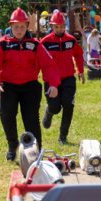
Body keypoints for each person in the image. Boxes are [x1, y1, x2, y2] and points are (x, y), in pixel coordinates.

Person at [0, 8, 60, 161]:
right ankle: (13, 144)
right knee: (7, 115)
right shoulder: (2, 45)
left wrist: (52, 83)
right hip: (8, 85)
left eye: (22, 26)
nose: (19, 30)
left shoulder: (35, 45)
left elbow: (48, 65)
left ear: (27, 26)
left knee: (31, 118)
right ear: (10, 27)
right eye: (16, 26)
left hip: (30, 86)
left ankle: (35, 149)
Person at [40, 11, 85, 144]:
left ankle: (63, 136)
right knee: (55, 107)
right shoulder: (45, 42)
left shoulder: (71, 40)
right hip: (51, 80)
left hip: (68, 79)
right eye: (56, 27)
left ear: (65, 26)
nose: (59, 29)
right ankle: (49, 112)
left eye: (61, 26)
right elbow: (37, 58)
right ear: (51, 27)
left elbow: (78, 54)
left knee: (68, 105)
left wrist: (80, 71)